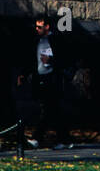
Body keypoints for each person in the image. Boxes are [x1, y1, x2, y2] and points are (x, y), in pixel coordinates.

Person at [17, 16, 72, 149]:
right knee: (53, 110)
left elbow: (65, 60)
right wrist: (23, 74)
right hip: (40, 78)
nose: (37, 29)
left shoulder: (56, 41)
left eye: (39, 27)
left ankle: (37, 138)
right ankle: (64, 140)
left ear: (47, 27)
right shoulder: (37, 41)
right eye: (36, 27)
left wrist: (51, 60)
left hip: (52, 79)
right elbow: (31, 60)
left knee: (47, 109)